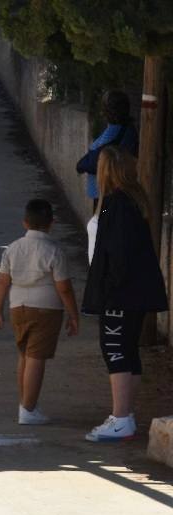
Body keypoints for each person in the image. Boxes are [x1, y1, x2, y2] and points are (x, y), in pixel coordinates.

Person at [80, 146, 169, 442]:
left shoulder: (116, 205)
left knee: (116, 349)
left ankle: (121, 418)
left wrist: (109, 288)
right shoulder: (131, 201)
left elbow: (117, 253)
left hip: (120, 293)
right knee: (127, 349)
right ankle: (124, 415)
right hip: (133, 291)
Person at [0, 198, 79, 425]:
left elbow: (1, 282)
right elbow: (64, 288)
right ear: (51, 223)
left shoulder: (12, 248)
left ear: (24, 223)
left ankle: (26, 403)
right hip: (46, 308)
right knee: (37, 358)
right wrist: (73, 314)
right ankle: (28, 409)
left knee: (24, 355)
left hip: (17, 306)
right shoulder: (54, 250)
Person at [76, 90, 139, 209]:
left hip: (108, 195)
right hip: (103, 193)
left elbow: (100, 160)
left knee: (101, 224)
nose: (102, 113)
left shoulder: (121, 132)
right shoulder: (119, 129)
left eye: (105, 109)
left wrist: (82, 165)